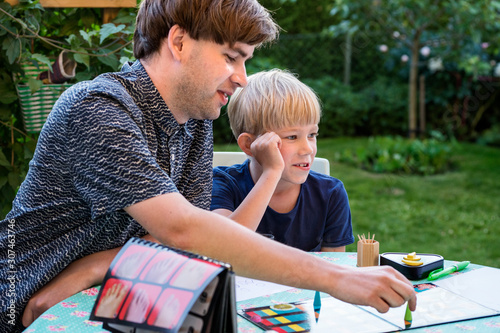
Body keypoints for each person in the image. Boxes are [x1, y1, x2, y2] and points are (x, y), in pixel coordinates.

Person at [0, 0, 416, 331]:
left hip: (114, 295)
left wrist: (93, 266)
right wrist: (339, 279)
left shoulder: (193, 121)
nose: (243, 78)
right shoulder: (99, 111)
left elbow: (192, 241)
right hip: (27, 306)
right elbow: (186, 230)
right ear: (178, 42)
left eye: (246, 60)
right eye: (232, 57)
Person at [211, 69, 354, 252]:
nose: (308, 149)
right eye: (292, 137)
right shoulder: (223, 184)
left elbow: (334, 268)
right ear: (249, 145)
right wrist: (272, 172)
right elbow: (225, 247)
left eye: (312, 134)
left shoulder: (330, 194)